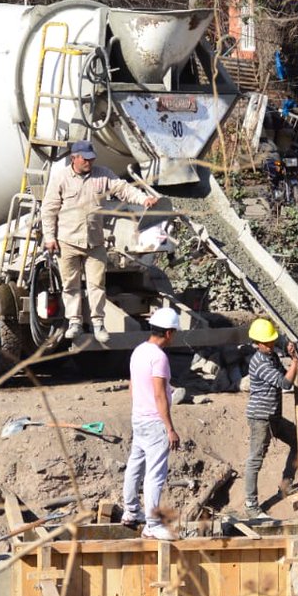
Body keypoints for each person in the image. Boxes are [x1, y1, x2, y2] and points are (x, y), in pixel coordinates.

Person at [41, 140, 158, 344]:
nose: (90, 162)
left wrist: (143, 199)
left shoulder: (103, 175)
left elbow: (123, 189)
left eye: (92, 158)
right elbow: (49, 209)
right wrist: (49, 237)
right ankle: (74, 322)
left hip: (95, 242)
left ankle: (98, 323)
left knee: (97, 284)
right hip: (67, 241)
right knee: (70, 284)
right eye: (85, 159)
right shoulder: (60, 178)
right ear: (74, 158)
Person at [122, 307, 181, 541]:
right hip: (155, 422)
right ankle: (153, 525)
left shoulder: (139, 351)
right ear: (168, 333)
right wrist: (170, 428)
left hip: (138, 418)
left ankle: (130, 511)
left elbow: (133, 386)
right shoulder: (159, 357)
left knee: (135, 465)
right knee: (155, 474)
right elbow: (159, 395)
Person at [244, 318, 298, 519]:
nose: (270, 345)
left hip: (273, 415)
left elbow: (285, 373)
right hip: (261, 418)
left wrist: (289, 352)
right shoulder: (259, 362)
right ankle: (251, 506)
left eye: (271, 341)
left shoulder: (271, 356)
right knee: (255, 460)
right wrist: (295, 361)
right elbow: (285, 383)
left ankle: (286, 484)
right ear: (257, 343)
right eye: (266, 343)